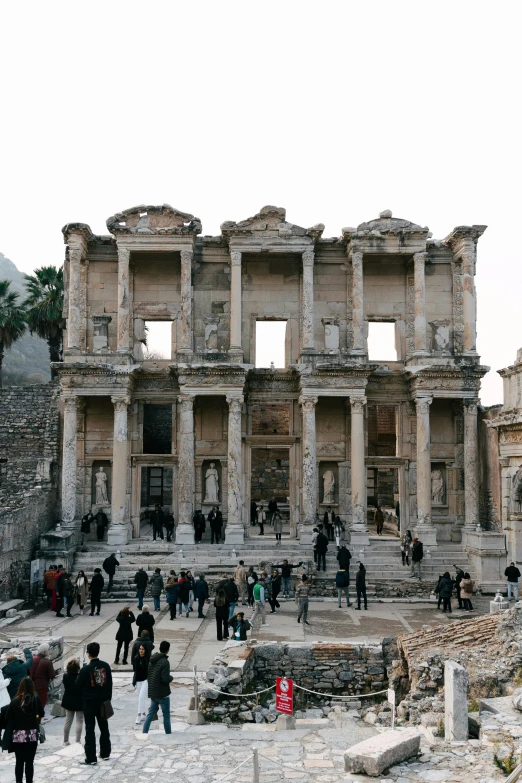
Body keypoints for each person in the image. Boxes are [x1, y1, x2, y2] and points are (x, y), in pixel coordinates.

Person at [1, 676, 44, 783]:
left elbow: (7, 718)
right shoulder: (35, 699)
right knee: (30, 762)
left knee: (19, 762)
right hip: (32, 735)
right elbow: (41, 713)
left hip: (18, 736)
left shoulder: (14, 702)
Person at [76, 641, 112, 765]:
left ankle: (91, 757)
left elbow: (78, 685)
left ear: (88, 653)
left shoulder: (85, 669)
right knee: (104, 727)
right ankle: (105, 753)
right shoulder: (106, 666)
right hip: (103, 702)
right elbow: (109, 684)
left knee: (90, 729)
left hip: (90, 703)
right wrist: (108, 699)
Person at [142, 641, 173, 735]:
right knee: (166, 715)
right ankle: (168, 734)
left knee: (150, 714)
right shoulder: (165, 662)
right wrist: (171, 678)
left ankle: (144, 732)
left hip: (153, 692)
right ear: (168, 650)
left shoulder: (152, 660)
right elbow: (165, 679)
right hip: (162, 693)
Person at [62, 658, 84, 745]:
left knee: (68, 720)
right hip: (79, 700)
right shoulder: (80, 677)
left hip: (68, 700)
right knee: (79, 720)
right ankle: (78, 740)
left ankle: (65, 740)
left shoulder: (65, 676)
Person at [28, 644, 55, 709]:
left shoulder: (32, 660)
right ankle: (39, 717)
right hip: (42, 686)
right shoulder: (47, 662)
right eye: (48, 650)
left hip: (32, 684)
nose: (48, 652)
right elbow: (52, 675)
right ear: (45, 652)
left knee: (32, 703)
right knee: (41, 704)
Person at [132, 641, 150, 725]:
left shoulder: (148, 659)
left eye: (143, 649)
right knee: (140, 698)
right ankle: (143, 713)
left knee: (141, 697)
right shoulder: (136, 658)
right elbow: (135, 670)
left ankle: (138, 715)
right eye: (140, 649)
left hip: (145, 680)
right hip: (138, 680)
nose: (141, 651)